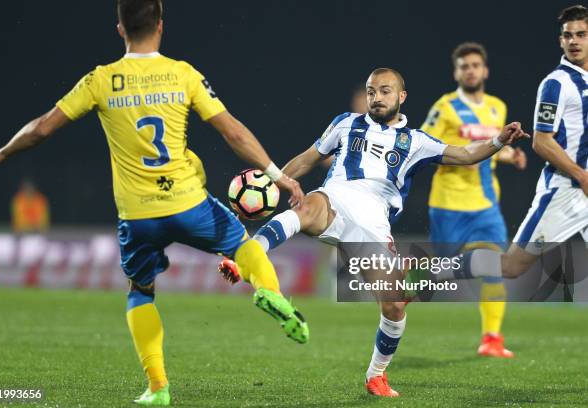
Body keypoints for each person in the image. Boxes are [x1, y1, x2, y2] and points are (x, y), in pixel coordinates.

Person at [0, 0, 309, 405]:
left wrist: (2, 153)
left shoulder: (101, 80)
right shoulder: (182, 73)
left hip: (137, 215)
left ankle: (158, 388)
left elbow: (43, 128)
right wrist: (278, 175)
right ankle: (269, 291)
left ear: (120, 28)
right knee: (243, 245)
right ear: (160, 25)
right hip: (188, 202)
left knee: (140, 288)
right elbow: (233, 133)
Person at [220, 68, 528, 397]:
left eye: (384, 91)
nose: (376, 98)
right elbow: (309, 159)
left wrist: (498, 141)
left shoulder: (417, 141)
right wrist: (274, 181)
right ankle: (247, 255)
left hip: (372, 225)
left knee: (394, 305)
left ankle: (376, 375)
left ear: (401, 96)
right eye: (371, 92)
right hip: (334, 200)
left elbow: (465, 154)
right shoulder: (345, 123)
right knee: (304, 209)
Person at [435, 5, 588, 284]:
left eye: (581, 34)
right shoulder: (556, 84)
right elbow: (542, 142)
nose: (574, 41)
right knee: (511, 266)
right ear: (560, 40)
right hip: (565, 191)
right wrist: (581, 175)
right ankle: (432, 270)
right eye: (568, 36)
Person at [421, 42, 527, 358]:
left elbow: (492, 145)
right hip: (448, 204)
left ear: (485, 70)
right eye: (464, 66)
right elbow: (423, 147)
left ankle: (492, 339)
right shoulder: (445, 107)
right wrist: (458, 156)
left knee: (496, 266)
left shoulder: (497, 107)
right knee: (440, 273)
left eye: (475, 65)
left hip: (486, 205)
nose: (470, 70)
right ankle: (402, 286)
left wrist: (510, 154)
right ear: (456, 72)